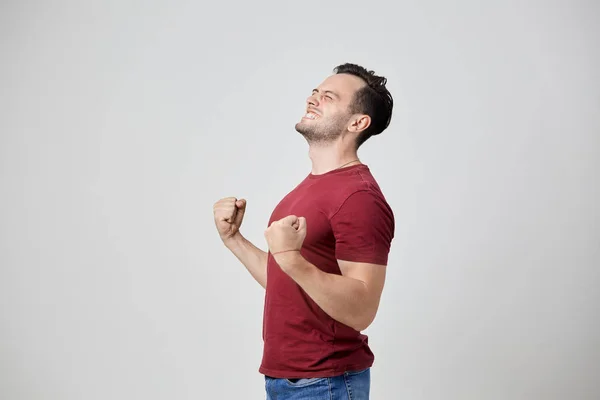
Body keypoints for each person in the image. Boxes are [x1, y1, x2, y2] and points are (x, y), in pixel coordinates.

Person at [213, 63, 395, 399]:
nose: (313, 100)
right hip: (288, 379)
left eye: (328, 97)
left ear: (357, 123)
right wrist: (234, 240)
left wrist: (292, 258)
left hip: (325, 382)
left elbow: (362, 311)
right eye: (314, 92)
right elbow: (288, 280)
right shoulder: (308, 188)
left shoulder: (358, 197)